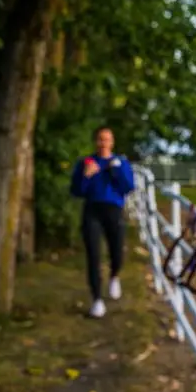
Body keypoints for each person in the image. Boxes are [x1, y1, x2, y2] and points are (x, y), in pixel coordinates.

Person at [70, 126, 135, 318]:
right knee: (93, 255)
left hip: (113, 210)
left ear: (112, 142)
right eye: (100, 139)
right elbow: (76, 191)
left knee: (116, 249)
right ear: (95, 141)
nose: (103, 143)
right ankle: (97, 299)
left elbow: (128, 187)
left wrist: (114, 171)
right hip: (92, 210)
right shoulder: (86, 163)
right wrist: (86, 176)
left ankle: (114, 275)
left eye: (107, 139)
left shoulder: (121, 162)